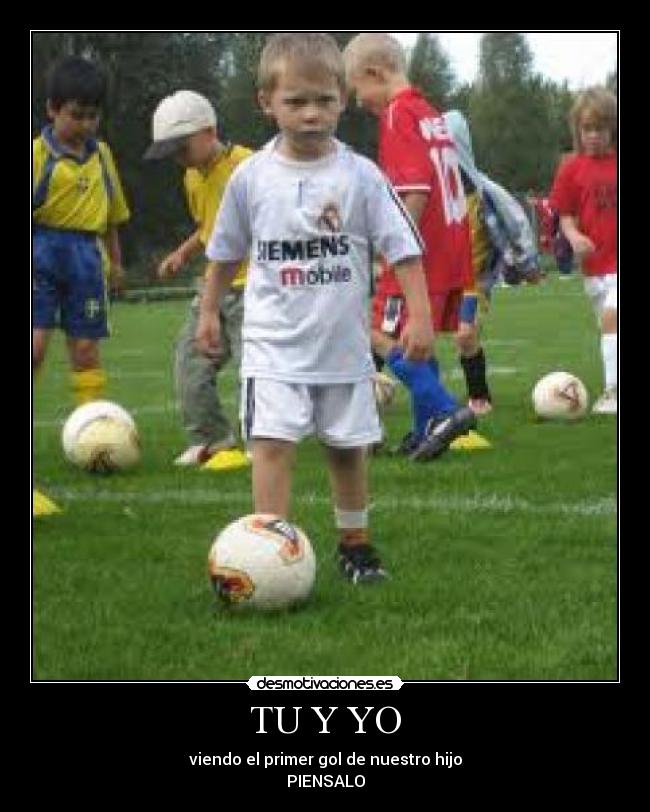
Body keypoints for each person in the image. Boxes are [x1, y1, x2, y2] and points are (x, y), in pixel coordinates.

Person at [196, 32, 435, 583]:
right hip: (273, 349)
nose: (311, 114)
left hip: (343, 349)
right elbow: (224, 252)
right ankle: (269, 553)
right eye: (295, 101)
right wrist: (209, 311)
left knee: (348, 449)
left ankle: (356, 547)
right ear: (267, 103)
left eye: (324, 101)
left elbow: (403, 247)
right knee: (272, 447)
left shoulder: (361, 176)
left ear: (343, 99)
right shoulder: (251, 177)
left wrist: (419, 316)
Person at [342, 33, 478, 459]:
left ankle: (444, 410)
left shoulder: (398, 115)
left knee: (374, 333)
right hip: (452, 244)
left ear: (374, 73)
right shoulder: (429, 112)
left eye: (356, 89)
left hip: (421, 250)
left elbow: (413, 191)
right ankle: (425, 431)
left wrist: (392, 253)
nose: (359, 101)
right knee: (416, 340)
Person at [144, 91, 252, 469]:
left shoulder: (249, 167)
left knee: (251, 369)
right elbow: (208, 228)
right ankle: (212, 439)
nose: (178, 159)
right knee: (189, 360)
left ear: (209, 131)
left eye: (182, 148)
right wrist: (182, 253)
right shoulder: (191, 175)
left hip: (253, 287)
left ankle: (261, 443)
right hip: (213, 287)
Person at [33, 56, 130, 406]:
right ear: (52, 110)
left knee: (86, 347)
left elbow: (112, 217)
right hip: (41, 252)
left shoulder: (101, 155)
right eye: (76, 115)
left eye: (93, 115)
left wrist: (116, 264)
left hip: (87, 257)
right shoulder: (37, 156)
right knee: (36, 347)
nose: (86, 124)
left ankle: (91, 430)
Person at [443, 110, 541, 412]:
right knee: (396, 330)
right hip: (437, 280)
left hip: (474, 282)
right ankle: (371, 381)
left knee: (465, 333)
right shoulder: (433, 194)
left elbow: (517, 223)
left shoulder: (486, 192)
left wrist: (527, 264)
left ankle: (479, 397)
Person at [550, 87, 617, 415]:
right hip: (594, 267)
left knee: (612, 319)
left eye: (600, 129)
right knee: (609, 327)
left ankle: (612, 392)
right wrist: (575, 236)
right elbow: (565, 215)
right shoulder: (571, 169)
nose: (593, 136)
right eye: (586, 129)